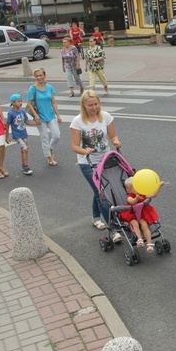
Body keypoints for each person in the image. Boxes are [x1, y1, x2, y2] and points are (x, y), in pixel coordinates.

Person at [70, 90, 123, 239]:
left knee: (99, 190)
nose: (94, 108)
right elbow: (74, 146)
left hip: (105, 160)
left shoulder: (105, 116)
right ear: (84, 106)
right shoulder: (77, 121)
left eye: (96, 104)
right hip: (87, 163)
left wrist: (115, 141)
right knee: (102, 194)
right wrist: (84, 150)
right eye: (90, 105)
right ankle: (112, 229)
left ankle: (95, 217)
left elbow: (113, 135)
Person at [27, 68, 62, 166]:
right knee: (44, 137)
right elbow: (29, 104)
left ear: (44, 76)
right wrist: (36, 115)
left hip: (50, 115)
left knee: (56, 135)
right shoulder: (32, 89)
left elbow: (53, 102)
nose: (39, 77)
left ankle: (50, 149)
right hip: (40, 116)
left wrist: (58, 115)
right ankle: (49, 157)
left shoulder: (49, 87)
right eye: (37, 76)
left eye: (40, 75)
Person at [120, 177, 164, 253]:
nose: (139, 188)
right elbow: (132, 202)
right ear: (129, 190)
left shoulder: (142, 193)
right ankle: (139, 239)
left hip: (141, 213)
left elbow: (153, 195)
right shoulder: (130, 196)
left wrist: (159, 186)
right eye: (136, 187)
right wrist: (136, 198)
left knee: (144, 225)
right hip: (131, 213)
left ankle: (149, 244)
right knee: (134, 223)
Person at [5, 93, 40, 176]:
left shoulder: (22, 112)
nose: (20, 103)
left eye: (21, 101)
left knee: (24, 150)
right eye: (18, 101)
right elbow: (7, 124)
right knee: (25, 149)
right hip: (17, 135)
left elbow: (27, 121)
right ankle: (26, 166)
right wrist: (7, 136)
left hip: (23, 133)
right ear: (13, 103)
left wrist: (36, 123)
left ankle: (24, 164)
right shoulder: (11, 113)